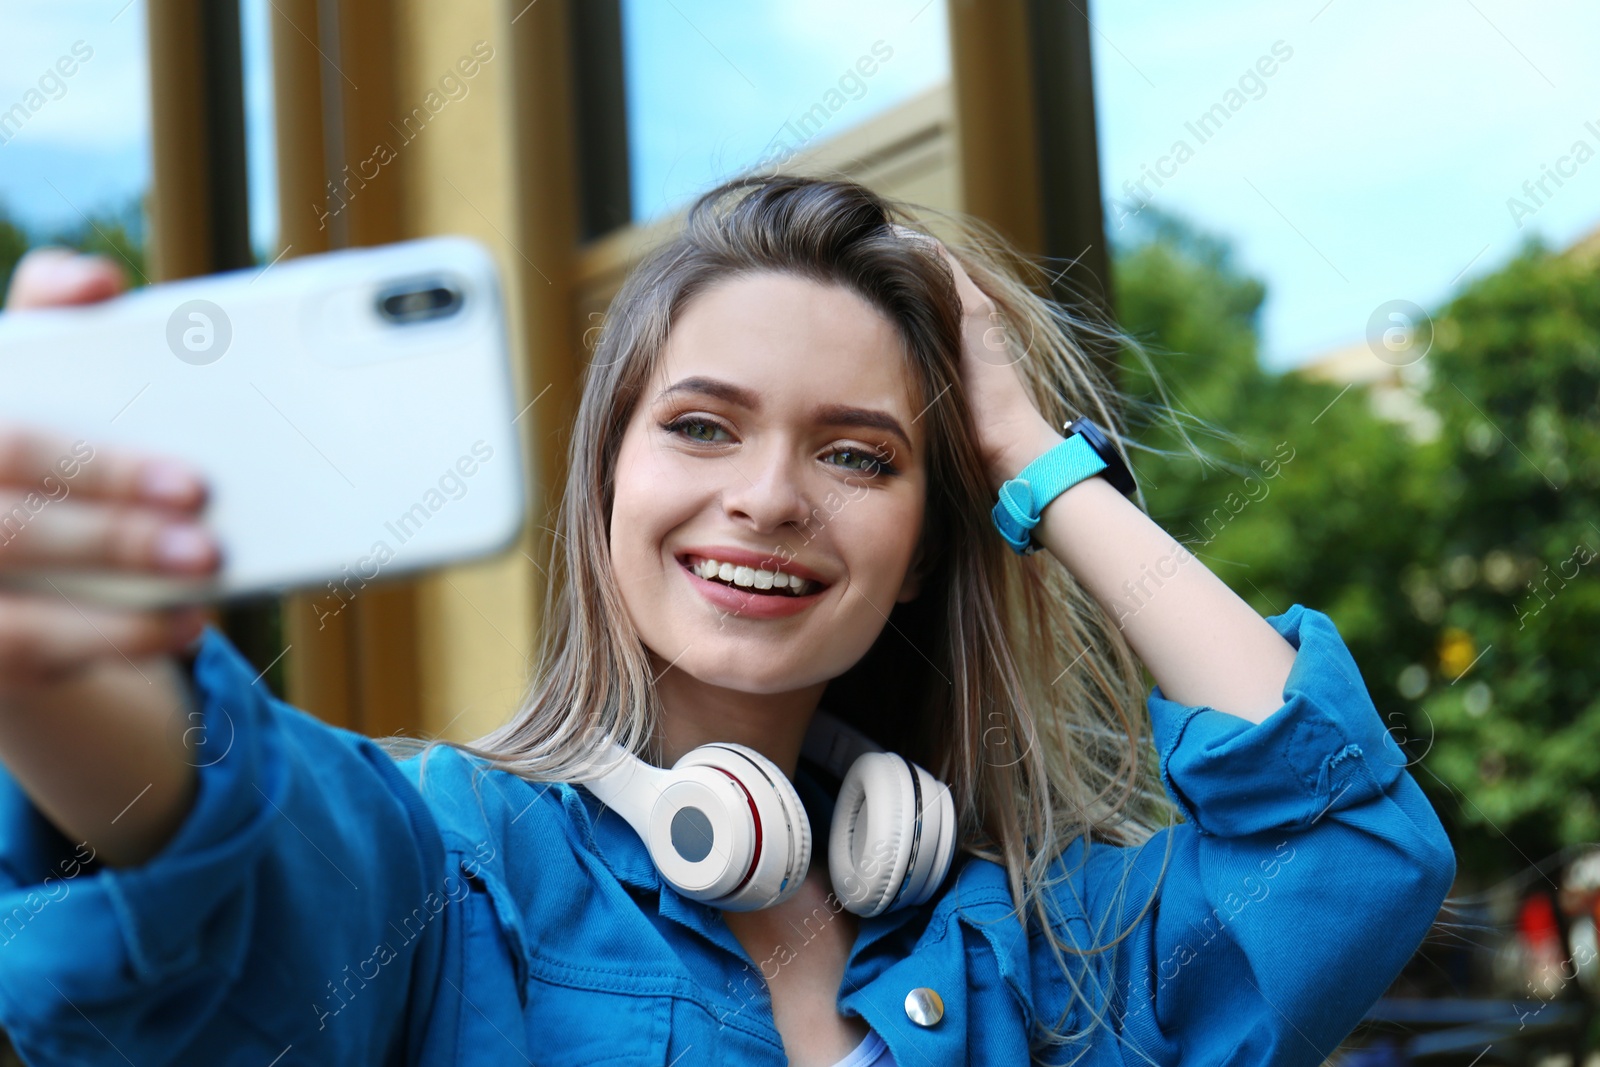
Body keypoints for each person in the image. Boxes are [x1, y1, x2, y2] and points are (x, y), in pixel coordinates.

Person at [0, 175, 1454, 1065]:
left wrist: (1031, 454)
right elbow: (220, 853)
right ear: (607, 487)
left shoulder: (1044, 961)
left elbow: (1345, 851)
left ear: (923, 551)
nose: (767, 497)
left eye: (858, 454)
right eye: (701, 427)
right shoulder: (445, 873)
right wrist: (58, 663)